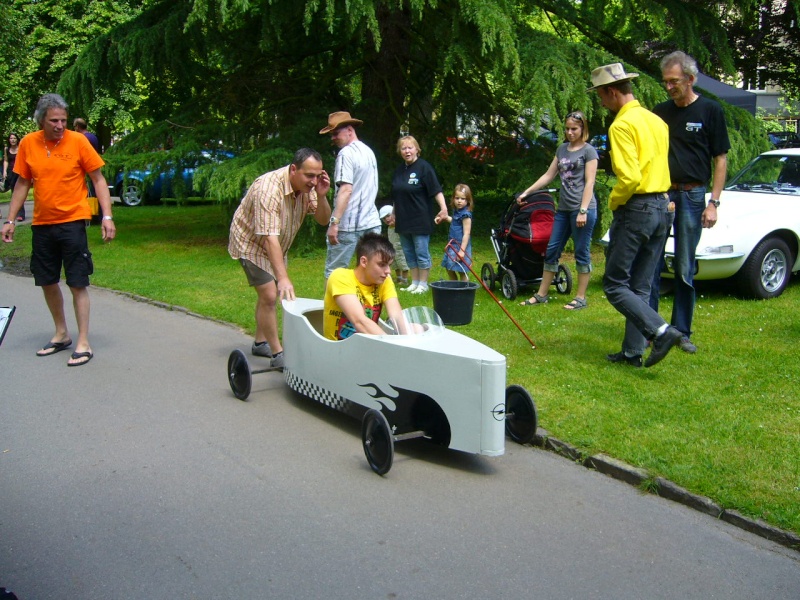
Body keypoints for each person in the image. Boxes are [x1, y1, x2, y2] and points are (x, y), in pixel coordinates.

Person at [1, 93, 116, 367]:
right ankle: (61, 333)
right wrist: (9, 220)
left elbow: (98, 180)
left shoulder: (78, 142)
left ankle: (83, 342)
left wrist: (107, 216)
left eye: (63, 120)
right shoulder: (29, 143)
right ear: (41, 120)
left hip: (73, 222)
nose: (60, 125)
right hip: (42, 224)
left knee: (77, 281)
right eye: (54, 120)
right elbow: (21, 185)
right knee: (47, 280)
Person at [587, 63, 682, 368]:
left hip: (637, 208)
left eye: (601, 97)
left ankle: (662, 331)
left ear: (612, 92)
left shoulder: (621, 125)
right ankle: (632, 353)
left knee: (614, 284)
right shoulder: (657, 121)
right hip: (662, 207)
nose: (601, 104)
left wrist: (614, 202)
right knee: (640, 286)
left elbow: (628, 178)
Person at [649, 51, 730, 354]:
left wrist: (714, 203)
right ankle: (652, 328)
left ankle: (681, 330)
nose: (669, 87)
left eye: (674, 81)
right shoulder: (660, 112)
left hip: (694, 196)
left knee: (684, 265)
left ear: (691, 79)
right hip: (662, 193)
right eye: (665, 82)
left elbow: (720, 160)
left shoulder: (711, 110)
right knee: (652, 262)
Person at [228, 147, 332, 367]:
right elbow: (268, 238)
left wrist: (322, 196)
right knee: (269, 294)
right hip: (251, 242)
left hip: (276, 244)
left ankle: (259, 343)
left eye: (318, 175)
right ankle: (278, 354)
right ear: (294, 169)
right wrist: (282, 278)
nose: (314, 181)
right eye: (309, 175)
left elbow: (323, 220)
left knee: (269, 294)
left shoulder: (309, 187)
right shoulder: (268, 188)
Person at [517, 111, 599, 309]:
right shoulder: (562, 149)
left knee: (581, 251)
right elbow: (548, 175)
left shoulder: (589, 151)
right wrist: (527, 192)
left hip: (582, 209)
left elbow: (590, 182)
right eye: (567, 128)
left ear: (582, 129)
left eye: (574, 129)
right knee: (552, 249)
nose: (570, 132)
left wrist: (583, 210)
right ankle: (542, 294)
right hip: (563, 210)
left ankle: (580, 298)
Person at [319, 111, 381, 279]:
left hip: (347, 226)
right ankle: (368, 306)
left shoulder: (345, 154)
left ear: (349, 129)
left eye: (336, 133)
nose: (333, 138)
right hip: (372, 223)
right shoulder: (369, 151)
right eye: (331, 134)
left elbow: (346, 190)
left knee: (335, 274)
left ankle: (333, 307)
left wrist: (334, 223)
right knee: (373, 272)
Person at [389, 135, 448, 294]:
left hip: (420, 218)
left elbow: (436, 190)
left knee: (421, 252)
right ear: (400, 151)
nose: (407, 151)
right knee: (408, 253)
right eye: (403, 148)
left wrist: (443, 208)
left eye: (410, 147)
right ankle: (414, 282)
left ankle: (423, 283)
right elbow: (397, 195)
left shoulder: (424, 168)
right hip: (403, 219)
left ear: (417, 149)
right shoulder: (399, 170)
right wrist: (393, 214)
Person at [323, 232, 406, 340]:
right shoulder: (340, 277)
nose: (388, 271)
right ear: (364, 261)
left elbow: (396, 316)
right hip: (339, 351)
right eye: (382, 265)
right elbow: (359, 321)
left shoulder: (384, 280)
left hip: (368, 347)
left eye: (389, 265)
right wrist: (393, 346)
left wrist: (408, 339)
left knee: (417, 328)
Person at [437, 183, 474, 282]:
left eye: (463, 199)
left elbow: (467, 233)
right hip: (452, 245)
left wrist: (462, 251)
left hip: (460, 246)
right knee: (449, 268)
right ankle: (454, 286)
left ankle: (464, 289)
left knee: (462, 270)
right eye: (457, 198)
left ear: (468, 200)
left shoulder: (466, 215)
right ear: (453, 198)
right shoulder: (457, 211)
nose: (459, 201)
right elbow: (455, 222)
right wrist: (445, 218)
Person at [378, 204, 409, 286]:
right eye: (384, 218)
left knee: (403, 264)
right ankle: (398, 277)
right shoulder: (389, 228)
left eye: (388, 216)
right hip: (393, 249)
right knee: (395, 265)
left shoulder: (399, 225)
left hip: (401, 249)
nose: (386, 219)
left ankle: (404, 280)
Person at [3, 133, 23, 221]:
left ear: (17, 139)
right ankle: (14, 213)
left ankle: (21, 214)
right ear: (9, 140)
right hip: (11, 172)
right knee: (13, 192)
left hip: (19, 171)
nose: (13, 140)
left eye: (14, 138)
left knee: (19, 191)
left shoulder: (20, 148)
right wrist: (4, 171)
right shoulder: (6, 149)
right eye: (11, 138)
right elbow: (6, 160)